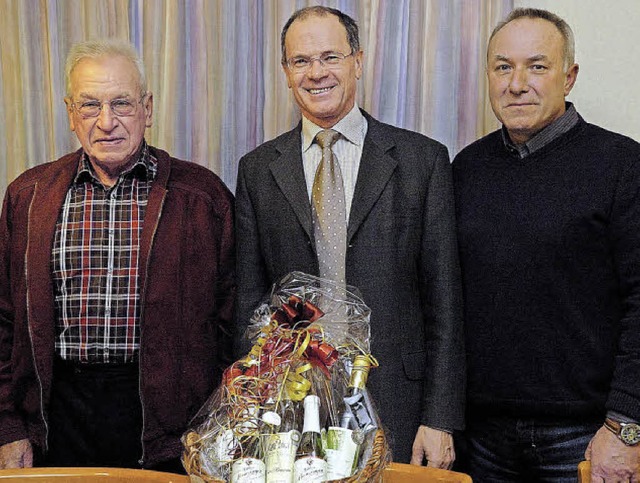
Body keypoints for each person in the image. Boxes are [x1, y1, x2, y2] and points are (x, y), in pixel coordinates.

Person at [235, 6, 464, 467]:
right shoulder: (258, 170)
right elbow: (249, 300)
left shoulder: (422, 161)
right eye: (301, 61)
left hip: (397, 402)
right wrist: (251, 409)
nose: (316, 73)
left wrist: (439, 418)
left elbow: (445, 303)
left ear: (358, 61)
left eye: (330, 56)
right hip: (291, 406)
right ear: (285, 72)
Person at [0, 39, 235, 471]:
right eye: (90, 105)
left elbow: (231, 325)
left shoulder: (202, 197)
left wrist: (219, 426)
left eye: (121, 103)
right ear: (71, 114)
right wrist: (8, 427)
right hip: (57, 420)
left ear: (148, 108)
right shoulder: (28, 197)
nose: (106, 122)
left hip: (173, 429)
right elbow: (4, 320)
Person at [453, 8, 640, 481]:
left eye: (537, 66)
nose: (517, 83)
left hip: (586, 435)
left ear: (569, 76)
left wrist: (625, 426)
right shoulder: (465, 169)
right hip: (481, 437)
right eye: (503, 66)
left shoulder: (622, 164)